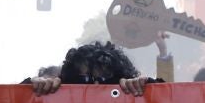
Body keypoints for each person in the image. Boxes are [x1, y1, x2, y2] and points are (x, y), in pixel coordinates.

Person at [28, 40, 159, 96]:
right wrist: (29, 90)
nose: (95, 87)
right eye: (83, 80)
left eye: (106, 81)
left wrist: (148, 89)